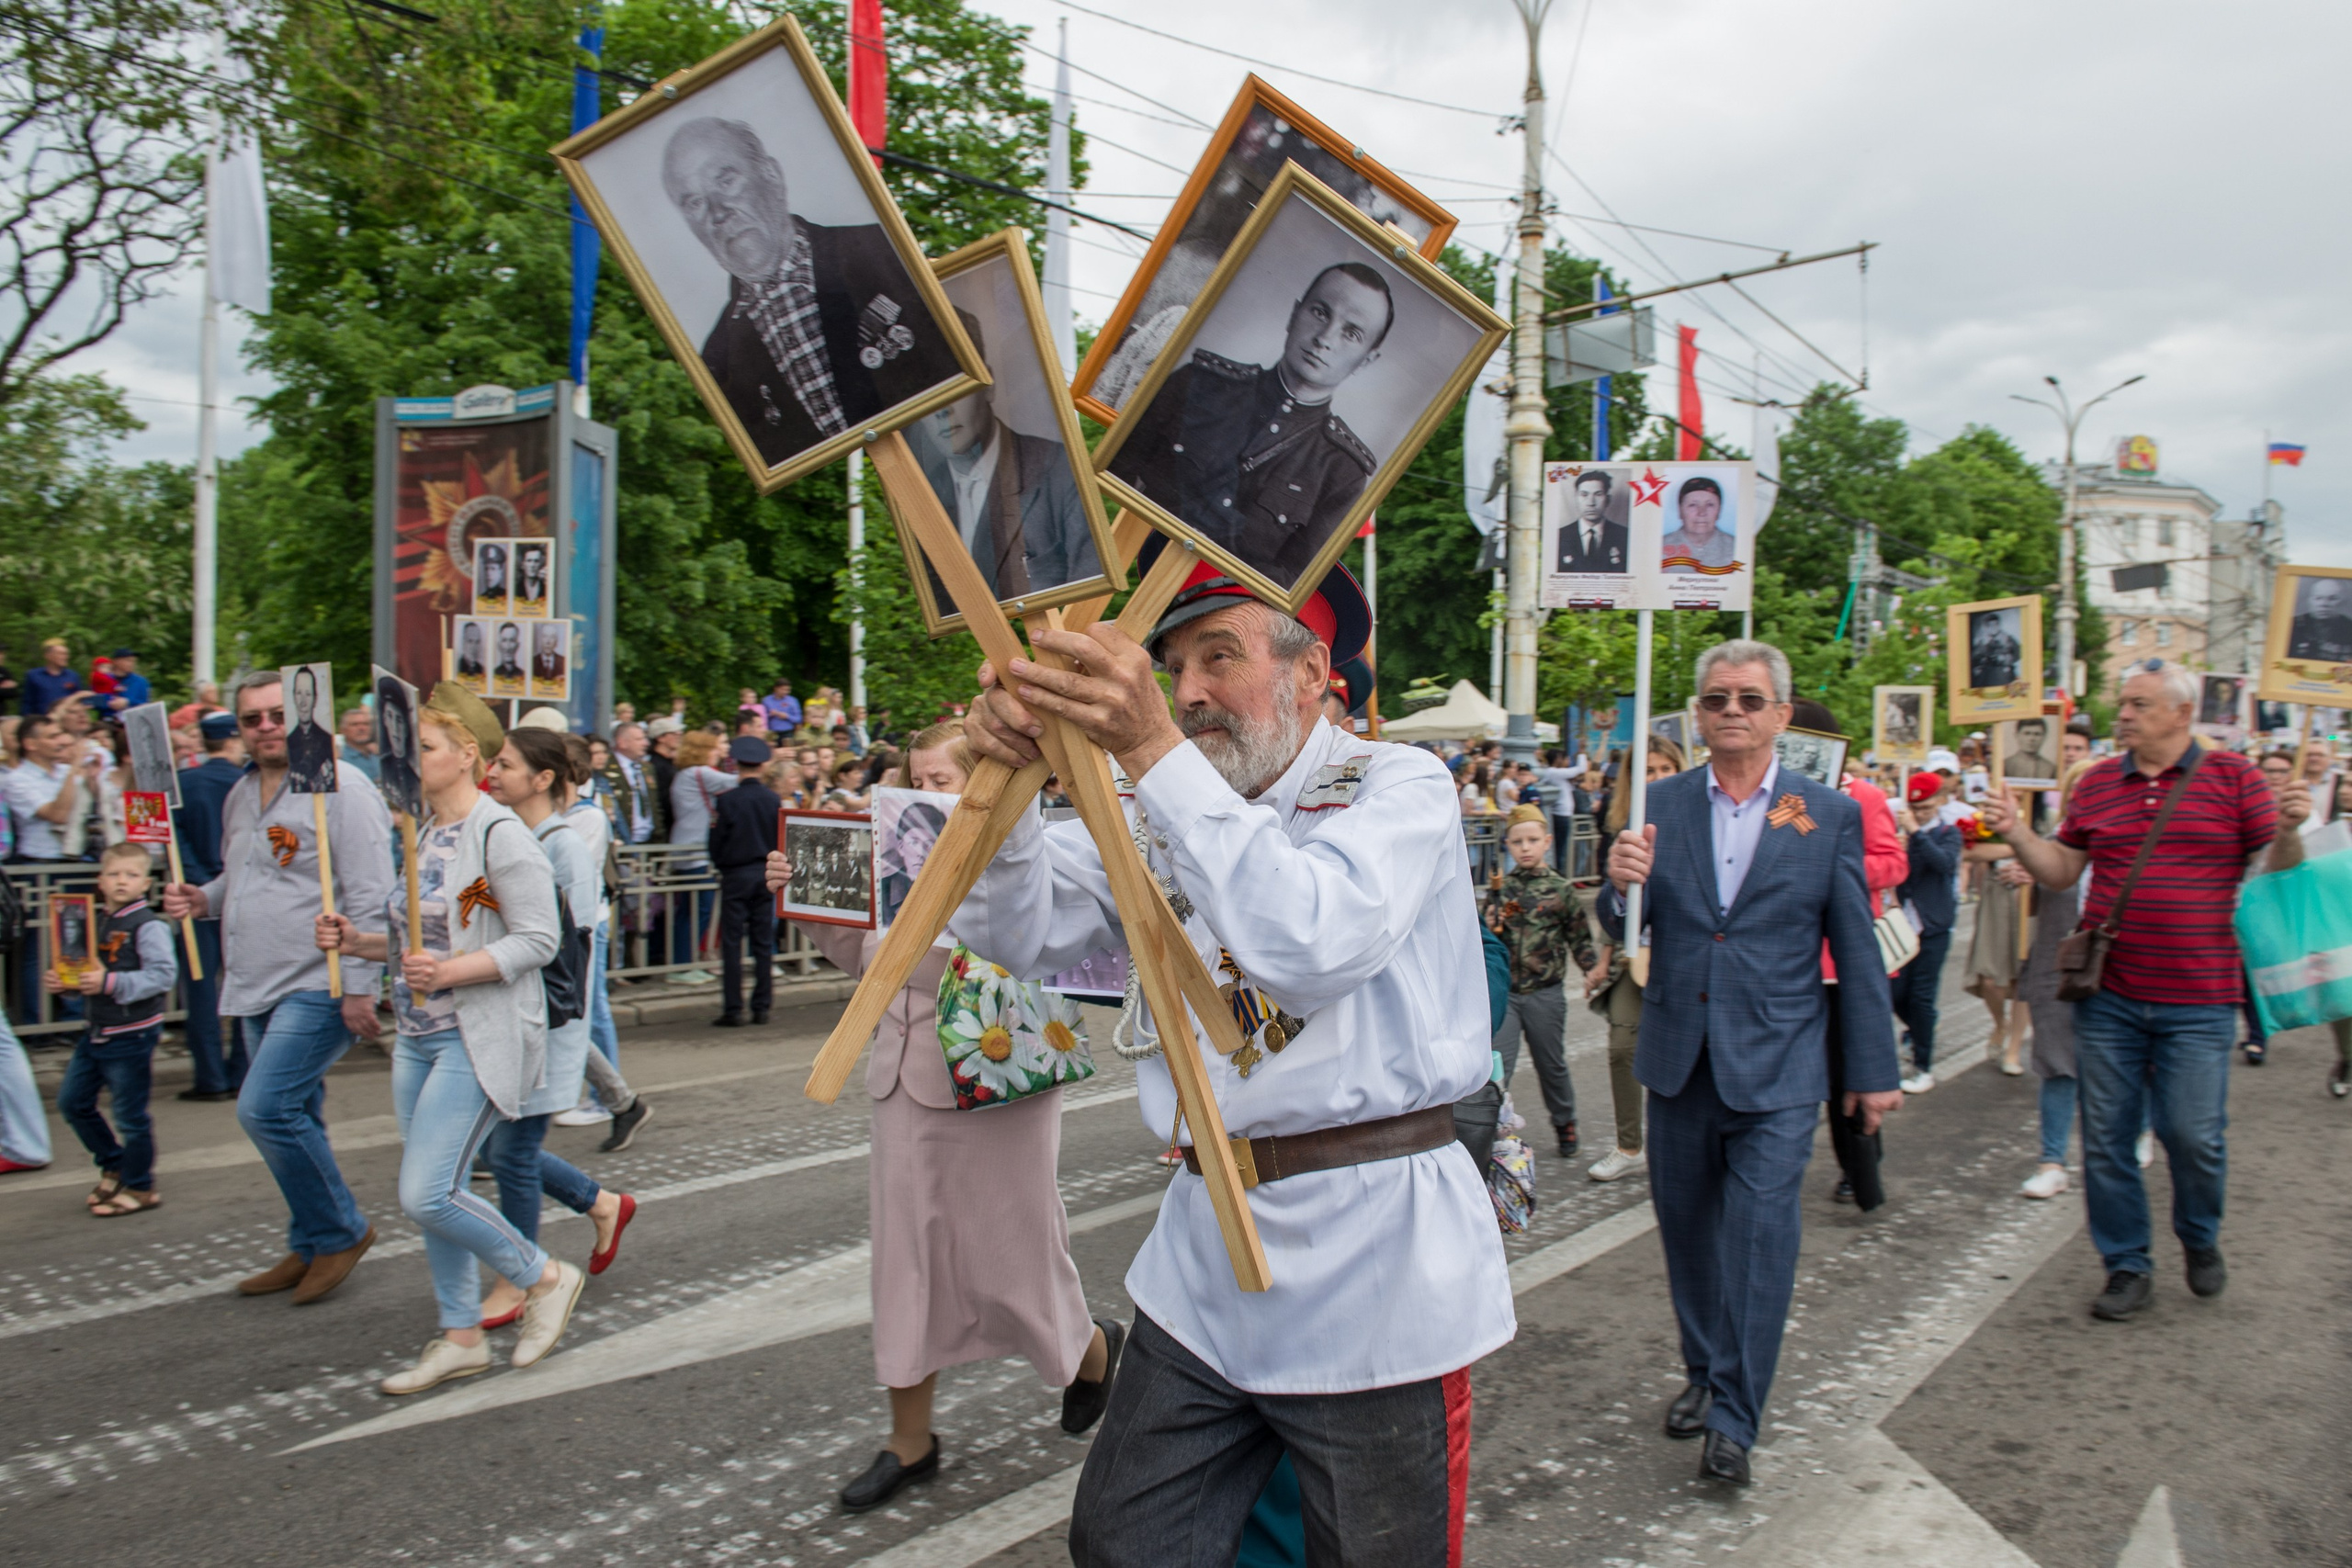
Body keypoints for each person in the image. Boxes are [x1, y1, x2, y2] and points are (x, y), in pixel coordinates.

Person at [954, 555, 1509, 1565]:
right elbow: (1019, 928)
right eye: (1173, 666)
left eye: (1220, 656)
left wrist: (1154, 753)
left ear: (1310, 672)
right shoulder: (1171, 803)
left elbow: (1309, 942)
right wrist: (1007, 788)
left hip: (1372, 1261)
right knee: (1123, 1540)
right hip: (1207, 1256)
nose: (1190, 691)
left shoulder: (1398, 784)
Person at [766, 721, 1121, 1513]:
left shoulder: (1029, 860)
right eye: (916, 781)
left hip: (997, 1072)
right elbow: (864, 961)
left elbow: (1021, 949)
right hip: (902, 1071)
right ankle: (909, 1440)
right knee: (905, 1260)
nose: (929, 795)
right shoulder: (894, 858)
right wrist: (811, 898)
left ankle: (1089, 1350)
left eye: (943, 781)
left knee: (1013, 1244)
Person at [1597, 638, 1899, 1486]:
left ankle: (1734, 1415)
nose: (1733, 710)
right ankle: (1703, 1369)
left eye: (1750, 699)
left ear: (1780, 713)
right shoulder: (1659, 802)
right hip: (1680, 1059)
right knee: (1690, 1237)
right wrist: (1618, 884)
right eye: (1718, 698)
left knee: (1762, 1242)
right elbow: (1625, 915)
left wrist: (1872, 1071)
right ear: (1698, 713)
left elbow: (1855, 948)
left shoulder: (1821, 813)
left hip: (1779, 1064)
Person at [1980, 658, 2300, 1321]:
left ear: (2182, 714)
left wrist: (2293, 827)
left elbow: (2277, 866)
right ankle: (2126, 1263)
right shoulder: (2097, 784)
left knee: (2193, 1134)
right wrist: (2016, 830)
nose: (2123, 714)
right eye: (2123, 702)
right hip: (2109, 995)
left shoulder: (2235, 777)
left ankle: (2199, 1236)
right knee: (2107, 1138)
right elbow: (2063, 870)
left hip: (2201, 998)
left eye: (2139, 704)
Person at [312, 683, 583, 1392]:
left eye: (423, 746)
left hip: (477, 1032)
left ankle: (544, 1275)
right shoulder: (422, 830)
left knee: (426, 1192)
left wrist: (453, 969)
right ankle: (461, 1334)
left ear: (467, 755)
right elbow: (416, 943)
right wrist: (360, 941)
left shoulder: (500, 834)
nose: (406, 757)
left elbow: (540, 938)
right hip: (419, 1035)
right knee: (445, 1189)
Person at [161, 671, 397, 1306]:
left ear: (304, 719)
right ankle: (311, 1238)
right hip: (255, 982)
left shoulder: (344, 786)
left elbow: (373, 896)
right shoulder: (241, 794)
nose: (265, 727)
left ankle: (341, 1229)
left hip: (315, 981)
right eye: (250, 719)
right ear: (236, 729)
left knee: (263, 1107)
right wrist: (199, 898)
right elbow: (246, 881)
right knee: (300, 1113)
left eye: (276, 715)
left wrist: (358, 987)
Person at [663, 117, 960, 467]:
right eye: (695, 203)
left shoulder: (885, 253)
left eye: (726, 181)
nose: (717, 213)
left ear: (771, 176)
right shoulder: (718, 360)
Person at [470, 725, 639, 1331]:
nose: (493, 771)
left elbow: (566, 945)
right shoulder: (506, 831)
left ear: (544, 778)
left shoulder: (561, 843)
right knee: (500, 1147)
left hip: (546, 1017)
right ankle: (602, 1203)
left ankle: (519, 1273)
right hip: (510, 1011)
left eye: (507, 764)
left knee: (509, 1151)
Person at [1104, 265, 1389, 588]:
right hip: (1120, 570)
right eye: (1321, 313)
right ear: (1295, 314)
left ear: (1366, 359)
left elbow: (1291, 579)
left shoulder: (1342, 470)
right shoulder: (1197, 384)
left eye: (1351, 333)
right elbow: (1111, 480)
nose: (1325, 338)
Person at [914, 308, 1099, 598]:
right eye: (924, 394)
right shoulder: (919, 496)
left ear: (988, 384)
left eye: (953, 386)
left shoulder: (1059, 468)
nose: (942, 410)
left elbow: (1090, 601)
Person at [51, 841, 177, 1214]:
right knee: (72, 1103)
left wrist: (109, 984)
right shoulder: (98, 920)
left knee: (130, 1115)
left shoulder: (148, 924)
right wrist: (67, 981)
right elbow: (89, 971)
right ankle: (114, 1162)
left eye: (132, 874)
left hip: (132, 1033)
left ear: (146, 884)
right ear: (100, 880)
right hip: (97, 1030)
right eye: (114, 874)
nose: (122, 881)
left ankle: (141, 1187)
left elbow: (162, 976)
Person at [1585, 736, 1686, 1182]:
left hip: (1682, 955)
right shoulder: (1621, 822)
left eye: (1665, 769)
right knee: (1622, 1047)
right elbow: (1614, 901)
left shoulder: (1695, 820)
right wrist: (1606, 957)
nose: (1657, 778)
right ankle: (1630, 1144)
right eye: (1648, 770)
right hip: (1634, 952)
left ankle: (1682, 1141)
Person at [2013, 755, 2099, 1199]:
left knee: (2125, 1064)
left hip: (2115, 968)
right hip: (2056, 966)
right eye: (2078, 788)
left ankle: (2136, 1132)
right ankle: (2052, 1160)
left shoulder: (2124, 843)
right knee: (2057, 1063)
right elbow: (2035, 890)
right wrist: (2021, 874)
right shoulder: (2050, 842)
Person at [1489, 803, 1595, 1159]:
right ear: (1507, 845)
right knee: (1496, 1066)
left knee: (1552, 1064)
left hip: (1545, 994)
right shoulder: (1502, 889)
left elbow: (1579, 936)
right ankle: (1488, 1128)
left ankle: (1565, 1122)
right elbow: (1488, 937)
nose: (1526, 848)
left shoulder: (1560, 889)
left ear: (1547, 842)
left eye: (1533, 840)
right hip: (1509, 996)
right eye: (1517, 841)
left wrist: (1594, 970)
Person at [173, 711, 248, 1100]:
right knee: (245, 983)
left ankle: (210, 1077)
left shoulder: (184, 784)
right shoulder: (250, 782)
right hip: (243, 897)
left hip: (196, 895)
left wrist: (200, 880)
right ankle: (241, 1071)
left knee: (200, 988)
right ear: (235, 739)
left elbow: (173, 842)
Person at [1890, 772, 1963, 1094]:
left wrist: (1916, 833)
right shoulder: (1902, 835)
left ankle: (1923, 1065)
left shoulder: (1949, 833)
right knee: (1895, 994)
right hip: (1902, 927)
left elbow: (1943, 864)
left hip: (1934, 927)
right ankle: (1921, 1029)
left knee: (1922, 997)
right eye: (1915, 808)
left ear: (1938, 802)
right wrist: (1897, 847)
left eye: (1926, 807)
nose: (1920, 813)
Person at [707, 736, 781, 1027]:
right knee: (763, 943)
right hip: (764, 874)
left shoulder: (727, 801)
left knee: (732, 944)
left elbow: (715, 843)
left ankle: (733, 1008)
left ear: (736, 765)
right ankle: (762, 1006)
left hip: (736, 875)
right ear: (763, 766)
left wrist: (723, 866)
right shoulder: (773, 799)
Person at [602, 722, 667, 846]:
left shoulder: (647, 768)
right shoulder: (606, 768)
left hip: (649, 842)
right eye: (639, 739)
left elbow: (654, 805)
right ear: (622, 742)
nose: (646, 743)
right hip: (621, 842)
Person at [1556, 468, 1629, 573]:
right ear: (1576, 499)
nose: (1591, 503)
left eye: (1598, 494)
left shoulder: (1624, 535)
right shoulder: (1560, 536)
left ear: (1608, 499)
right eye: (1584, 495)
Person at [1658, 476, 1736, 570]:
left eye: (1710, 505)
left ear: (1719, 510)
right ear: (1680, 510)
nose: (1701, 513)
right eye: (1693, 505)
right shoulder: (1658, 548)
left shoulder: (1736, 547)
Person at [2286, 576, 2352, 663]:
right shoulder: (2290, 626)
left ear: (2343, 602)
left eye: (2332, 599)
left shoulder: (2349, 628)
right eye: (2318, 598)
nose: (2324, 604)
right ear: (2309, 601)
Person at [21, 638, 83, 717]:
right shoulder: (34, 675)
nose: (66, 657)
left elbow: (78, 701)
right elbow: (27, 703)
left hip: (67, 720)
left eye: (66, 654)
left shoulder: (73, 676)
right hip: (42, 721)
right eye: (61, 654)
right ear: (48, 655)